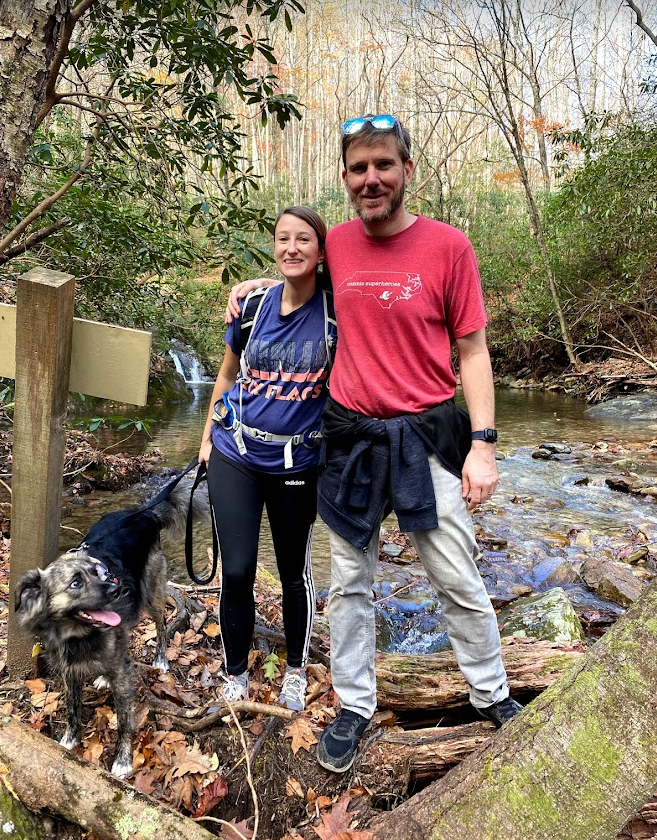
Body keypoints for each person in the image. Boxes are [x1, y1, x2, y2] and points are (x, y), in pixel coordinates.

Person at [227, 114, 522, 772]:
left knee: (458, 578)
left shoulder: (449, 248)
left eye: (382, 165)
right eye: (358, 169)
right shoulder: (337, 247)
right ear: (344, 179)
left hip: (425, 436)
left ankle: (491, 694)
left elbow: (471, 350)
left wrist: (483, 444)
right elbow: (296, 273)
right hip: (350, 438)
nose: (371, 179)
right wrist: (255, 289)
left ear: (406, 171)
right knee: (352, 586)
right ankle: (355, 706)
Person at [199, 206, 336, 712]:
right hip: (235, 451)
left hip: (297, 465)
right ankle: (235, 674)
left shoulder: (336, 311)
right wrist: (208, 436)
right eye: (283, 239)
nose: (292, 248)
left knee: (291, 569)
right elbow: (229, 374)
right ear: (273, 246)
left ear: (321, 251)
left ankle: (296, 670)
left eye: (304, 240)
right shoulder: (253, 306)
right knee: (235, 570)